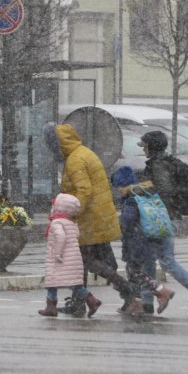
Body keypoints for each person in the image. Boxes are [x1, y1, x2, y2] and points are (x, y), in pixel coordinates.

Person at [52, 123, 143, 316]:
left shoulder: (75, 160)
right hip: (97, 216)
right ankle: (80, 303)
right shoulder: (83, 152)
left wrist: (70, 212)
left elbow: (84, 190)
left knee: (84, 261)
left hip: (88, 220)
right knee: (86, 261)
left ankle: (125, 289)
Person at [137, 131, 188, 317]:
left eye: (145, 146)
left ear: (152, 146)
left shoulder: (158, 166)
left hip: (161, 219)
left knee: (166, 261)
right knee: (150, 259)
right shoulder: (170, 163)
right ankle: (146, 301)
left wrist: (141, 190)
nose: (144, 150)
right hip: (168, 217)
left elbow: (163, 191)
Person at [111, 166, 176, 316]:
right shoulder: (144, 194)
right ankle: (134, 304)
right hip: (147, 239)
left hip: (136, 242)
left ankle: (162, 291)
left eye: (119, 186)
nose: (118, 190)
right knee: (134, 273)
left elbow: (126, 221)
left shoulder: (131, 200)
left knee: (135, 273)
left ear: (123, 184)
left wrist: (118, 225)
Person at [37, 193, 101, 318]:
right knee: (76, 286)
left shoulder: (56, 223)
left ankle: (51, 307)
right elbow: (76, 235)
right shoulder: (70, 222)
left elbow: (61, 237)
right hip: (74, 260)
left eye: (53, 206)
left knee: (52, 282)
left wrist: (58, 253)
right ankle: (92, 301)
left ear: (59, 208)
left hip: (60, 259)